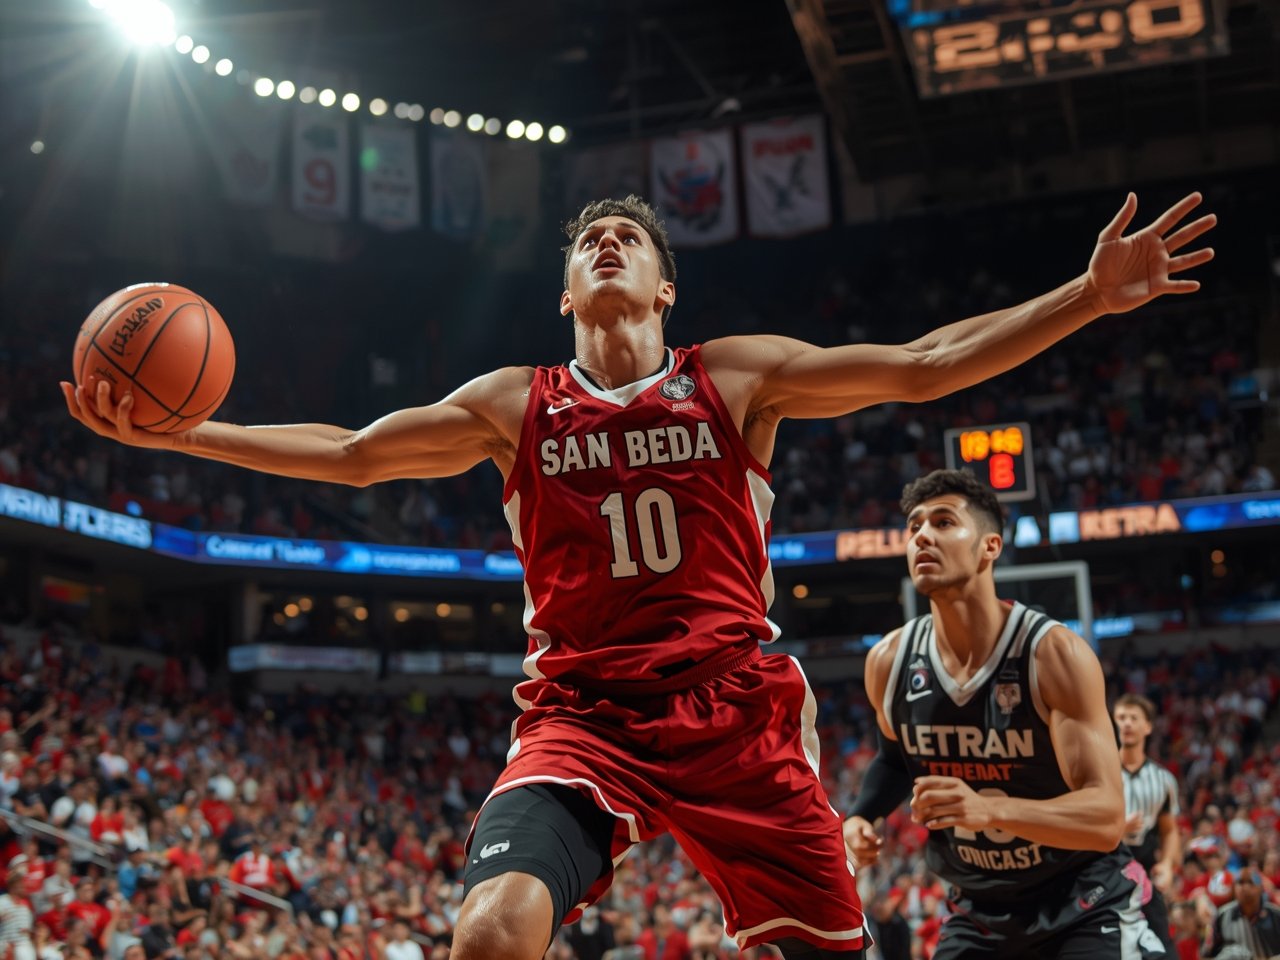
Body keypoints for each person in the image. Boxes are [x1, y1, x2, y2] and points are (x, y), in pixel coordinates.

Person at [63, 191, 1216, 960]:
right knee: (489, 935)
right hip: (582, 718)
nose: (605, 244)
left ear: (667, 289)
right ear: (564, 292)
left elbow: (921, 367)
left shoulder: (738, 378)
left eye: (630, 239)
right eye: (586, 242)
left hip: (734, 718)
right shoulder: (515, 402)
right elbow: (358, 455)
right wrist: (186, 438)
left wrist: (1084, 296)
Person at [843, 468, 1167, 958]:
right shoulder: (889, 662)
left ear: (990, 546)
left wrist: (988, 808)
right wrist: (860, 817)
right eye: (914, 527)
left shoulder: (1052, 654)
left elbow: (1105, 817)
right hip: (977, 911)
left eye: (944, 522)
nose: (923, 535)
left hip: (1082, 901)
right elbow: (894, 759)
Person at [1114, 692, 1183, 954]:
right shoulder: (1100, 773)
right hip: (1102, 868)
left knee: (1163, 947)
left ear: (1148, 727)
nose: (1126, 723)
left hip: (1144, 866)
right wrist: (1117, 829)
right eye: (1121, 717)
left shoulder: (1163, 779)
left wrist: (1166, 864)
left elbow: (1169, 830)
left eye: (1133, 718)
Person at [1203, 869, 1280, 958]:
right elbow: (1207, 953)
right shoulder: (1223, 915)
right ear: (1234, 888)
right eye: (1240, 883)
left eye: (1250, 882)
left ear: (1261, 888)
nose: (1245, 887)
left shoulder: (1276, 915)